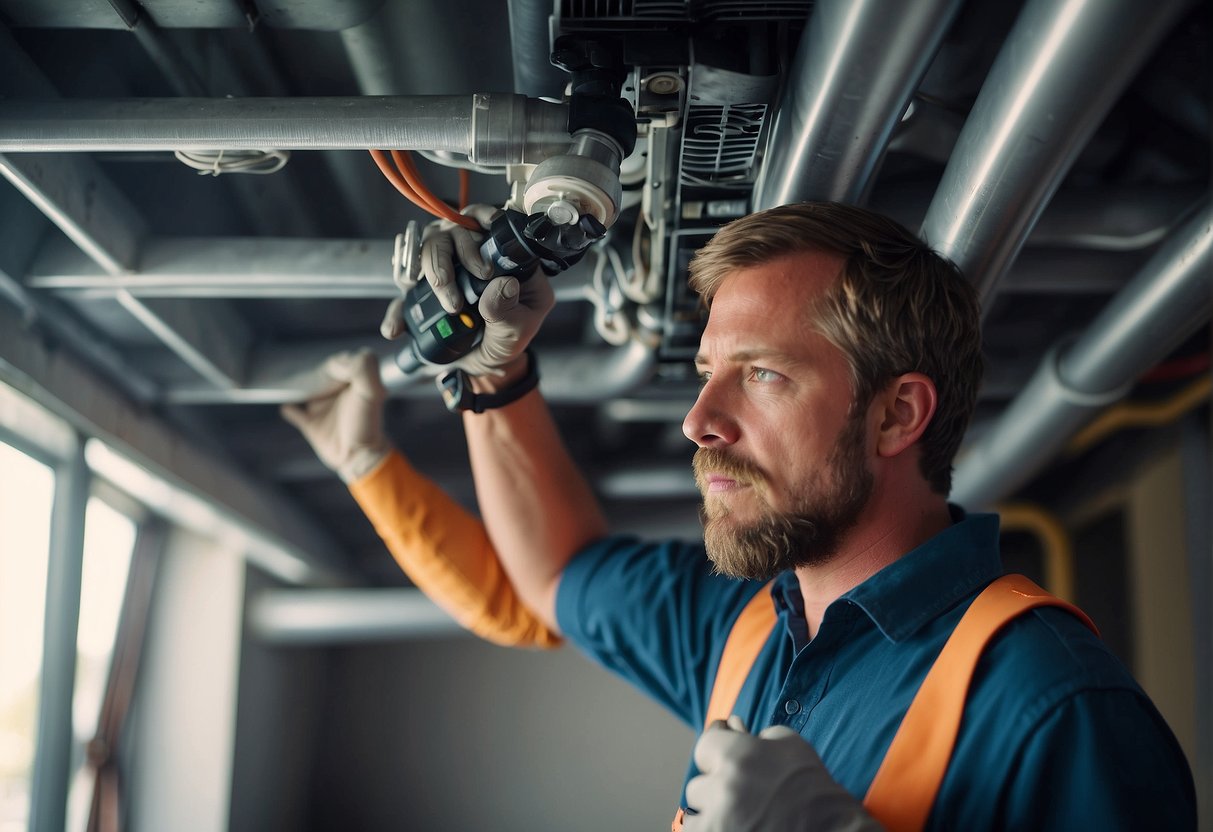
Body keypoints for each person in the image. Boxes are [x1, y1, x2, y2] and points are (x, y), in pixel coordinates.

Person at [284, 202, 1197, 830]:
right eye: (706, 373)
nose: (698, 421)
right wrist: (493, 373)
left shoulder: (1051, 705)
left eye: (762, 374)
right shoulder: (751, 628)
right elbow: (554, 571)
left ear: (896, 414)